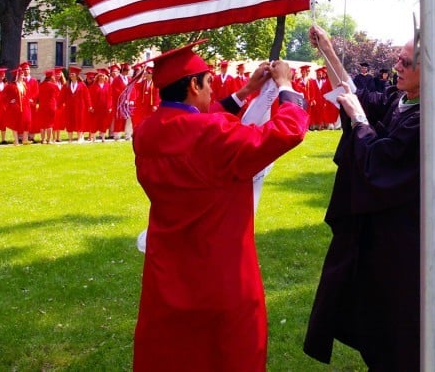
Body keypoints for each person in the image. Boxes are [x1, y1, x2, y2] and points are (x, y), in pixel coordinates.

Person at [132, 40, 308, 371]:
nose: (213, 92)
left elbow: (191, 122)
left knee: (172, 350)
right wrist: (285, 87)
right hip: (220, 268)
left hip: (169, 265)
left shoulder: (146, 133)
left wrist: (245, 92)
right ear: (194, 84)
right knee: (227, 351)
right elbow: (286, 132)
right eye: (209, 82)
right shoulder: (212, 134)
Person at [303, 25, 435, 372]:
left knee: (410, 335)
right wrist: (329, 51)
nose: (397, 67)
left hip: (410, 245)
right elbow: (356, 95)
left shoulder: (433, 120)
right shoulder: (402, 100)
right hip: (384, 238)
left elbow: (381, 162)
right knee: (380, 329)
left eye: (406, 62)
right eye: (399, 60)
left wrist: (359, 120)